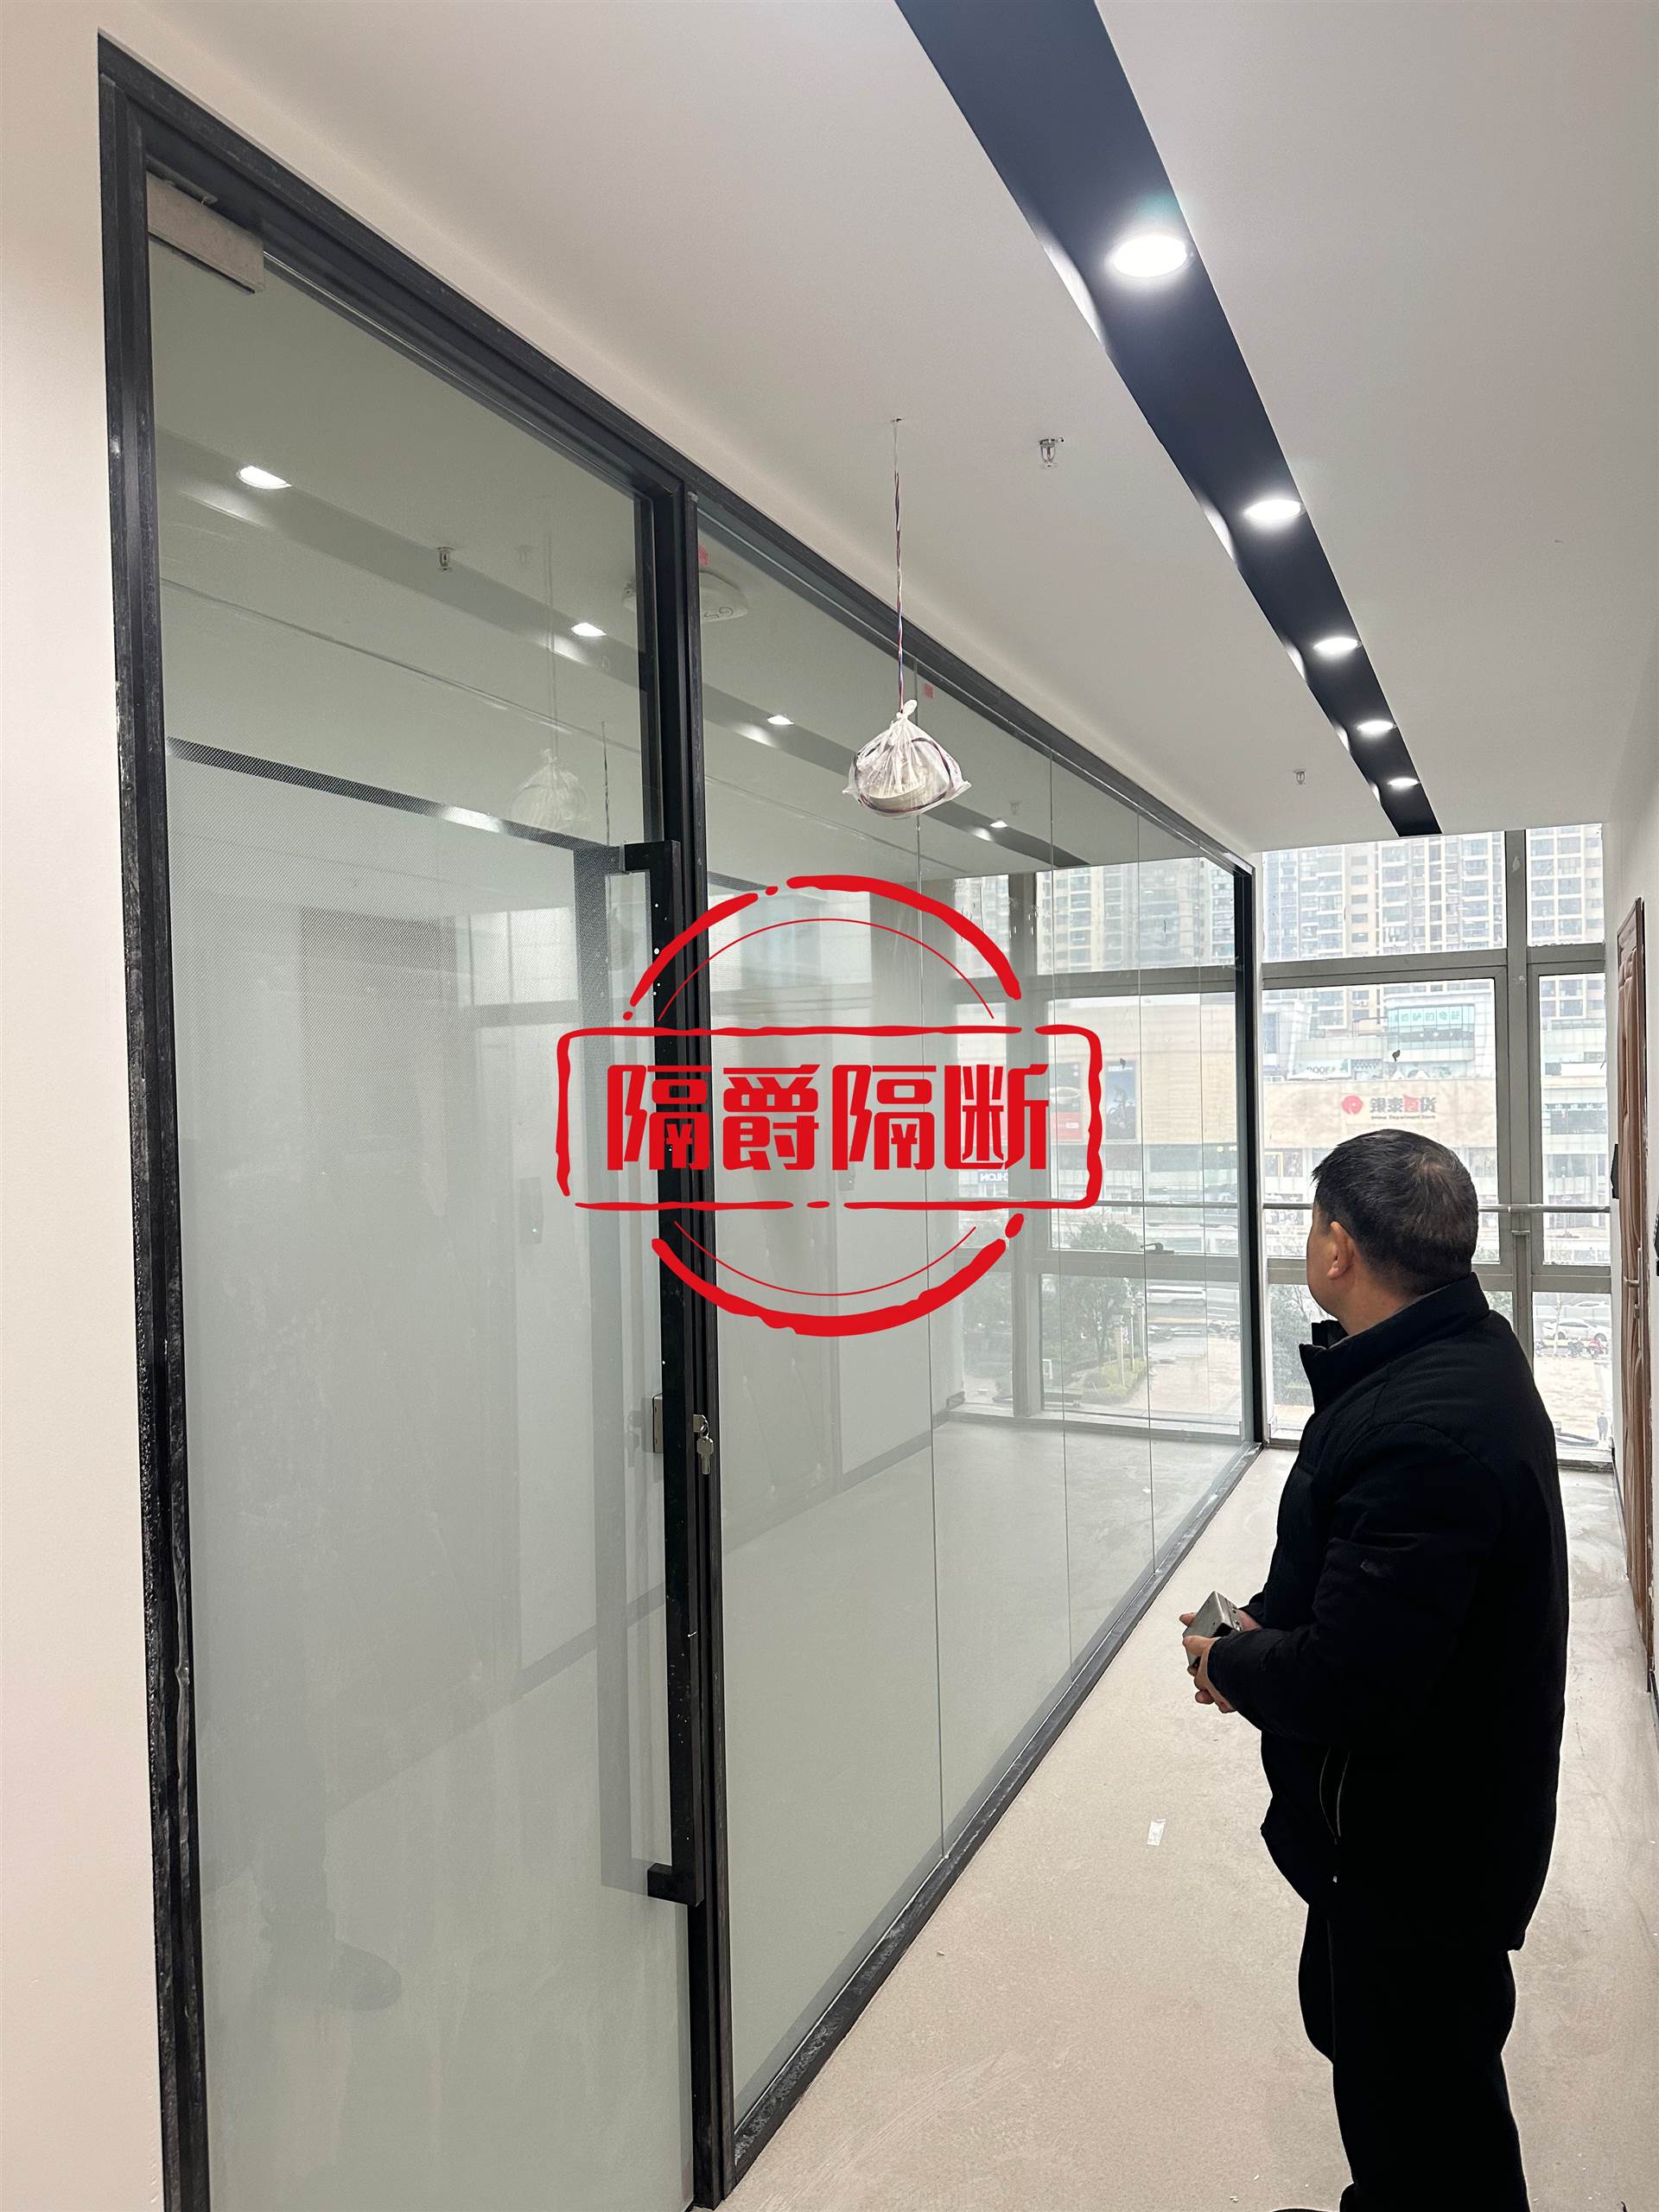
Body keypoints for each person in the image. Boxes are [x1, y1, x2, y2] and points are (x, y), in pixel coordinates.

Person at [1182, 1130, 1567, 2212]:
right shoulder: (1452, 1354)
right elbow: (1374, 1585)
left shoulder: (1423, 1428)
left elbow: (1354, 1683)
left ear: (1338, 1249)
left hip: (1420, 1854)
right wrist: (1269, 1624)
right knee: (1402, 2072)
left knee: (1423, 2110)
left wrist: (1231, 1658)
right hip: (1423, 1829)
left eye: (1313, 1223)